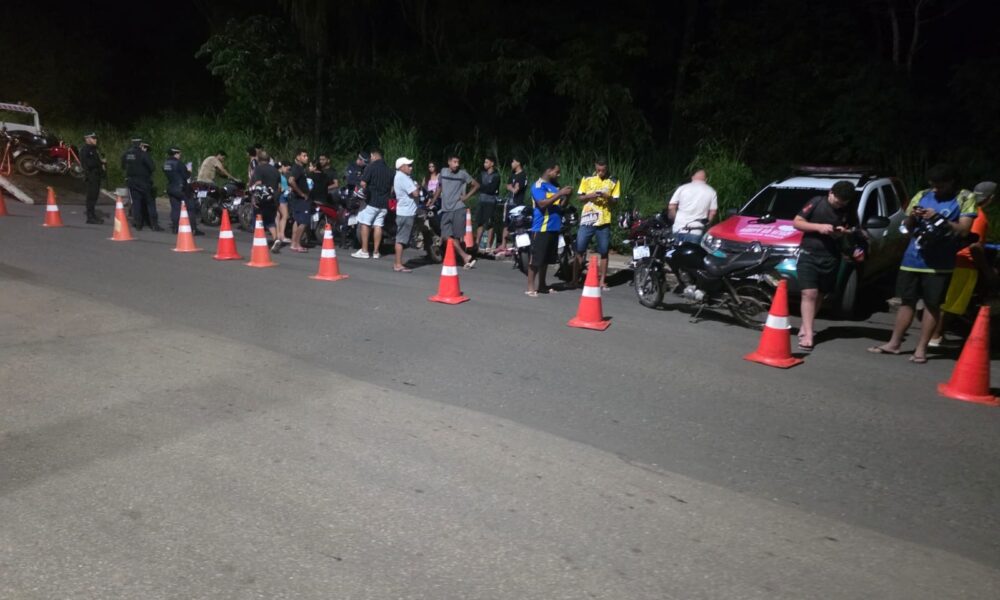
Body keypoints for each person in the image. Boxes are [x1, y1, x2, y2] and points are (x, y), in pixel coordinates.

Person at [868, 164, 976, 364]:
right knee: (906, 302)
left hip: (940, 262)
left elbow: (963, 230)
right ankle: (894, 343)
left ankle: (921, 349)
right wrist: (912, 217)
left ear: (951, 182)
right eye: (933, 185)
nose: (935, 189)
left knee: (932, 304)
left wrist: (938, 218)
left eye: (940, 186)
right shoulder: (922, 195)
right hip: (913, 257)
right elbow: (907, 225)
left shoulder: (964, 197)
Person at [792, 181, 861, 350]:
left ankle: (806, 325)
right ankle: (808, 334)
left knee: (820, 294)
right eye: (837, 201)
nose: (839, 205)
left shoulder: (849, 209)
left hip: (831, 256)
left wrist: (845, 232)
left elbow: (855, 229)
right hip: (809, 253)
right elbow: (797, 222)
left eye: (843, 203)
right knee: (809, 293)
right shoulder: (816, 202)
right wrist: (818, 227)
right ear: (830, 193)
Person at [930, 181, 997, 346]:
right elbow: (974, 246)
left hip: (950, 259)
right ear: (991, 198)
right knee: (954, 303)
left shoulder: (964, 209)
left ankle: (934, 333)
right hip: (965, 263)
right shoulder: (979, 216)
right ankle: (936, 335)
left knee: (945, 300)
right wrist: (987, 271)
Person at [526, 160, 573, 296]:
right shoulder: (538, 186)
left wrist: (567, 196)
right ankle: (530, 287)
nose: (558, 174)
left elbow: (561, 205)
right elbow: (542, 204)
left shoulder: (555, 186)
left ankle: (542, 285)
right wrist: (559, 193)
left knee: (546, 259)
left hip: (554, 227)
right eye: (556, 172)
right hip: (541, 227)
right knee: (535, 259)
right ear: (548, 170)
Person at [573, 158, 622, 290]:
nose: (600, 172)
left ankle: (602, 281)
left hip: (604, 220)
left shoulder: (613, 180)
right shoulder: (587, 178)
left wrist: (607, 197)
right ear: (595, 167)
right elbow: (580, 197)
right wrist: (591, 196)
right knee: (580, 249)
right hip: (587, 219)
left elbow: (615, 201)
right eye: (598, 170)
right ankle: (575, 279)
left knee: (604, 251)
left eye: (603, 170)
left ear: (607, 168)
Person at [432, 153, 480, 267]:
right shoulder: (443, 172)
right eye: (454, 162)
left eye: (458, 162)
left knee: (456, 236)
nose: (456, 164)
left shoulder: (462, 174)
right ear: (449, 162)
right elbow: (439, 187)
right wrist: (433, 200)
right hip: (446, 209)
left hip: (458, 208)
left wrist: (466, 197)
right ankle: (464, 256)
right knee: (445, 235)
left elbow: (476, 185)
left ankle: (461, 258)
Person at [352, 148, 394, 259]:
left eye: (370, 157)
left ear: (373, 156)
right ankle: (376, 252)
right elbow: (392, 189)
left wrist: (361, 192)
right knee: (378, 226)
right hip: (384, 204)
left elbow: (363, 183)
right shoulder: (390, 171)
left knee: (365, 224)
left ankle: (365, 251)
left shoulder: (371, 167)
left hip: (371, 202)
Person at [122, 137, 162, 231]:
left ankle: (138, 224)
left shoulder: (126, 154)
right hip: (143, 181)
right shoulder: (143, 154)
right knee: (150, 202)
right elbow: (152, 167)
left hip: (132, 181)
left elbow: (123, 166)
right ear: (140, 144)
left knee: (136, 202)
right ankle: (154, 224)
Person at [668, 169, 718, 243]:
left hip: (678, 228)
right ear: (706, 179)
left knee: (675, 249)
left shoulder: (682, 188)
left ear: (692, 177)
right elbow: (713, 213)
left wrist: (675, 219)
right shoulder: (711, 191)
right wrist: (707, 226)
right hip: (696, 231)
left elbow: (671, 207)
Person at [163, 146, 203, 236]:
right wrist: (189, 171)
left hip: (171, 187)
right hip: (182, 189)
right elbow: (186, 176)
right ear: (176, 153)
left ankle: (175, 228)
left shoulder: (165, 163)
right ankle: (193, 229)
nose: (180, 155)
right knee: (191, 208)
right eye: (179, 153)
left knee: (175, 208)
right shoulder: (178, 163)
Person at [392, 157, 421, 272]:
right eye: (408, 166)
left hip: (405, 211)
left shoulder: (400, 177)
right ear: (401, 167)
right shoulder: (403, 178)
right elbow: (415, 193)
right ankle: (398, 264)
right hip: (406, 213)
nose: (411, 168)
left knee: (402, 238)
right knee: (401, 239)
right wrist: (417, 186)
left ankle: (398, 263)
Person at [250, 150, 282, 248]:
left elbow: (258, 184)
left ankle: (259, 241)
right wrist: (276, 197)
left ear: (259, 159)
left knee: (258, 220)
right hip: (273, 199)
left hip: (262, 199)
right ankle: (275, 239)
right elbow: (279, 187)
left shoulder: (258, 169)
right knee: (270, 221)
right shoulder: (275, 170)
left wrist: (254, 198)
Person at [497, 156, 528, 253]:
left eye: (513, 161)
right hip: (509, 202)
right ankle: (503, 244)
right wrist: (512, 187)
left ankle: (517, 244)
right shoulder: (512, 174)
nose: (511, 163)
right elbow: (508, 186)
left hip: (518, 203)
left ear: (518, 163)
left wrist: (512, 187)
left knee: (517, 223)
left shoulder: (523, 175)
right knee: (506, 223)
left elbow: (517, 189)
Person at [287, 149, 312, 253]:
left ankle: (294, 243)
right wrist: (301, 193)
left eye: (307, 156)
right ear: (298, 157)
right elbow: (291, 181)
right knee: (304, 222)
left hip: (299, 199)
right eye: (304, 156)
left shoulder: (301, 168)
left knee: (297, 221)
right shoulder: (297, 168)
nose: (306, 158)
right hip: (300, 199)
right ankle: (297, 244)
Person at [475, 155, 502, 252]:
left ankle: (488, 246)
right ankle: (477, 244)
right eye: (484, 162)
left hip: (491, 201)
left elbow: (491, 189)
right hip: (481, 200)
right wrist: (482, 187)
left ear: (492, 163)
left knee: (489, 223)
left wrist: (481, 187)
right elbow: (477, 185)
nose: (484, 164)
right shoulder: (482, 174)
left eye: (486, 162)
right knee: (480, 222)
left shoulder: (496, 176)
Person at [79, 132, 105, 224]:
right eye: (93, 138)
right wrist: (100, 162)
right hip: (91, 175)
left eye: (95, 138)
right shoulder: (85, 150)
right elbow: (88, 163)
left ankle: (93, 215)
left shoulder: (94, 149)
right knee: (91, 197)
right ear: (87, 139)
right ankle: (90, 217)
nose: (95, 140)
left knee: (95, 196)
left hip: (96, 175)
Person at [274, 161, 293, 251]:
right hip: (281, 196)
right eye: (286, 168)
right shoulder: (279, 176)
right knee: (285, 215)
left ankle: (279, 234)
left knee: (278, 215)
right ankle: (282, 235)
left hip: (278, 197)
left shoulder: (278, 175)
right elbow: (280, 187)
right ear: (281, 167)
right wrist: (287, 189)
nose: (286, 170)